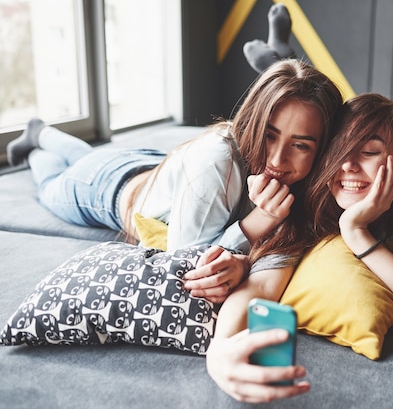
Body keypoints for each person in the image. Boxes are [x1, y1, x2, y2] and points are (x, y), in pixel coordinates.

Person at [6, 59, 343, 303]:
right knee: (50, 184)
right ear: (252, 122)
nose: (277, 160)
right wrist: (260, 221)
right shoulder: (219, 161)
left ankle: (41, 133)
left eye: (301, 145)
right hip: (105, 188)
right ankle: (37, 144)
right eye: (269, 136)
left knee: (85, 158)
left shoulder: (312, 176)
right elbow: (184, 265)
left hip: (147, 166)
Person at [202, 93, 393, 402]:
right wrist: (218, 351)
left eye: (369, 152)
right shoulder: (309, 200)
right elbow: (262, 282)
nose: (349, 166)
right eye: (338, 152)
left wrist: (356, 232)